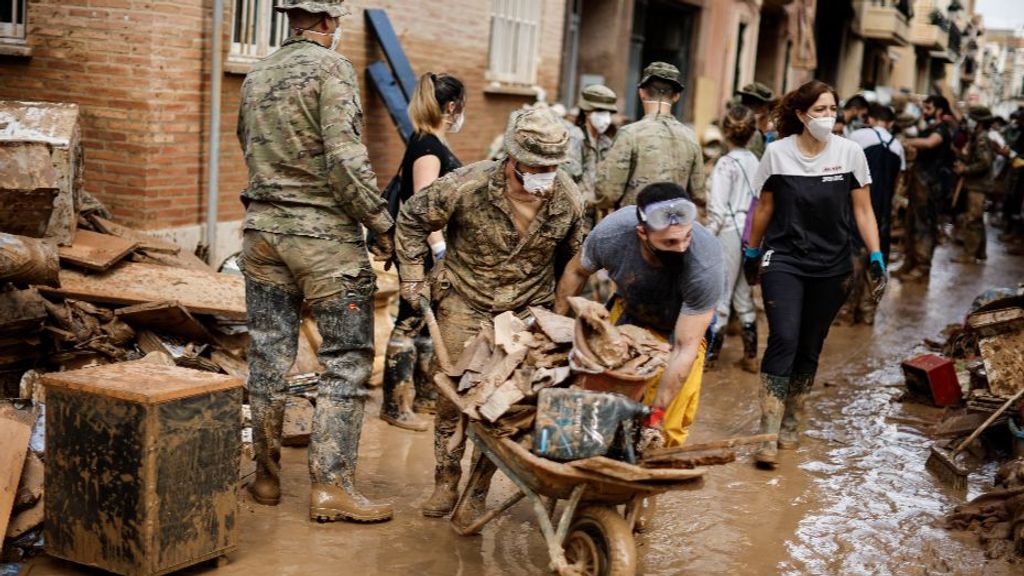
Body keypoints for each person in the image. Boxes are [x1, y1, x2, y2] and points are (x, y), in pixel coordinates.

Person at [237, 0, 395, 522]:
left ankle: (265, 479)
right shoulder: (333, 68)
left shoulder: (257, 74)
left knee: (267, 358)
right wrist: (381, 225)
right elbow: (346, 161)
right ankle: (331, 488)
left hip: (261, 235)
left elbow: (247, 143)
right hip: (324, 241)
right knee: (345, 363)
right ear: (329, 22)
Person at [396, 107, 584, 520]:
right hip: (465, 300)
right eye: (537, 166)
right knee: (453, 397)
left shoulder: (568, 198)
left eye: (552, 167)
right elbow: (411, 219)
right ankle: (446, 480)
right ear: (514, 159)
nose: (545, 175)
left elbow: (575, 262)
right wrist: (412, 278)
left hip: (524, 309)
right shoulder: (467, 184)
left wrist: (558, 318)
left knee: (506, 406)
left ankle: (478, 491)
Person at [742, 80, 886, 468]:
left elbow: (863, 210)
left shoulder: (851, 153)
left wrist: (875, 255)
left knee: (810, 343)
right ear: (802, 115)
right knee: (784, 338)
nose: (828, 117)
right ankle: (768, 432)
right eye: (820, 110)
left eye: (832, 109)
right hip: (784, 258)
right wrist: (752, 250)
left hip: (833, 264)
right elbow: (765, 208)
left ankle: (793, 421)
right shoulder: (776, 153)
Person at [554, 183, 722, 447]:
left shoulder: (704, 262)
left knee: (666, 428)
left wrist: (655, 416)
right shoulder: (612, 234)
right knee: (601, 402)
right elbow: (576, 271)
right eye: (669, 241)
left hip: (680, 326)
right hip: (631, 310)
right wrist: (556, 331)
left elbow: (683, 349)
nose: (681, 247)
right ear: (642, 233)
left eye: (686, 237)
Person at [379, 72, 465, 432]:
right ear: (451, 107)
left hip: (426, 249)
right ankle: (395, 405)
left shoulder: (431, 141)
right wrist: (440, 246)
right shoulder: (428, 147)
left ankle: (425, 396)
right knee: (411, 319)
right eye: (462, 107)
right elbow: (422, 203)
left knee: (430, 325)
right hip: (420, 251)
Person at [594, 62, 705, 210]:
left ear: (641, 93)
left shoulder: (629, 134)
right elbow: (699, 195)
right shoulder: (690, 138)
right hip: (674, 224)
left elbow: (608, 193)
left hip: (635, 224)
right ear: (676, 96)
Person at [705, 106, 760, 372]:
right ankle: (751, 355)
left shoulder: (725, 164)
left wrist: (704, 239)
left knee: (721, 297)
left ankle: (710, 358)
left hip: (728, 232)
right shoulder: (756, 161)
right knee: (743, 296)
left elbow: (717, 211)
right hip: (752, 233)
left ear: (726, 132)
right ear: (752, 133)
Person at [841, 103, 906, 325]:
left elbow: (842, 167)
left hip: (856, 204)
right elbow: (898, 180)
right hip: (883, 211)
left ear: (870, 119)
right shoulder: (897, 145)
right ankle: (868, 313)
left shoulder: (858, 136)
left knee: (852, 258)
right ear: (890, 123)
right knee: (877, 258)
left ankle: (845, 312)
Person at [900, 95, 956, 281]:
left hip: (931, 186)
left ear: (939, 110)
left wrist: (906, 141)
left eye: (929, 108)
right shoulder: (930, 128)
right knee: (911, 224)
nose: (924, 112)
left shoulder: (942, 130)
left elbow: (930, 143)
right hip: (919, 184)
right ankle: (909, 262)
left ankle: (922, 267)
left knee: (924, 226)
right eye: (924, 107)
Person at [566, 84, 618, 228]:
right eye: (600, 111)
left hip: (598, 220)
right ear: (587, 112)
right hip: (574, 219)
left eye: (609, 112)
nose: (606, 117)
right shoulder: (574, 140)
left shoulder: (607, 143)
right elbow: (566, 184)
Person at [951, 106, 995, 264]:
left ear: (979, 123)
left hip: (978, 186)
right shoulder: (977, 136)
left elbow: (984, 162)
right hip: (977, 185)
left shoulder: (982, 138)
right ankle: (980, 253)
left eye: (972, 119)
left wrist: (965, 169)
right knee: (977, 219)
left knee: (972, 220)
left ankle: (969, 255)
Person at [737, 82, 777, 160]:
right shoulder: (737, 130)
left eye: (751, 104)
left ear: (764, 108)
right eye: (744, 102)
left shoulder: (774, 136)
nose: (744, 107)